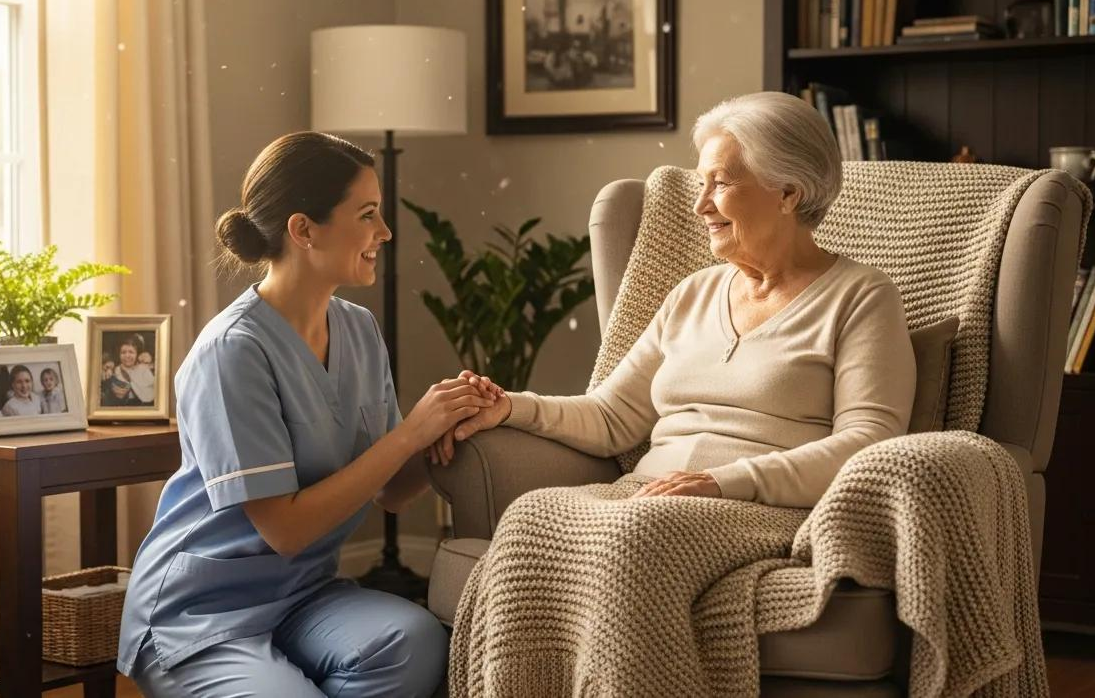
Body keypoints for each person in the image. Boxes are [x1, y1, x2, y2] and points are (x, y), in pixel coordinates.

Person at [118, 132, 496, 697]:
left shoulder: (359, 331)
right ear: (303, 229)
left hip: (304, 597)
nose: (385, 233)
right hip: (201, 614)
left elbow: (392, 490)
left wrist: (451, 429)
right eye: (367, 215)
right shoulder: (231, 351)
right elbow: (286, 529)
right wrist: (412, 431)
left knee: (417, 641)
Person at [433, 91, 917, 510]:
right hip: (646, 496)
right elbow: (610, 417)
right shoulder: (694, 293)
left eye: (721, 183)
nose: (699, 203)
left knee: (629, 541)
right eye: (700, 182)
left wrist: (723, 484)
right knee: (530, 521)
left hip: (756, 506)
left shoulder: (861, 298)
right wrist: (510, 407)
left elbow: (867, 444)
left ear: (788, 193)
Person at [114, 335, 155, 405]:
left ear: (137, 354)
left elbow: (151, 392)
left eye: (131, 352)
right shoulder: (116, 371)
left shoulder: (144, 369)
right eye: (123, 352)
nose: (127, 356)